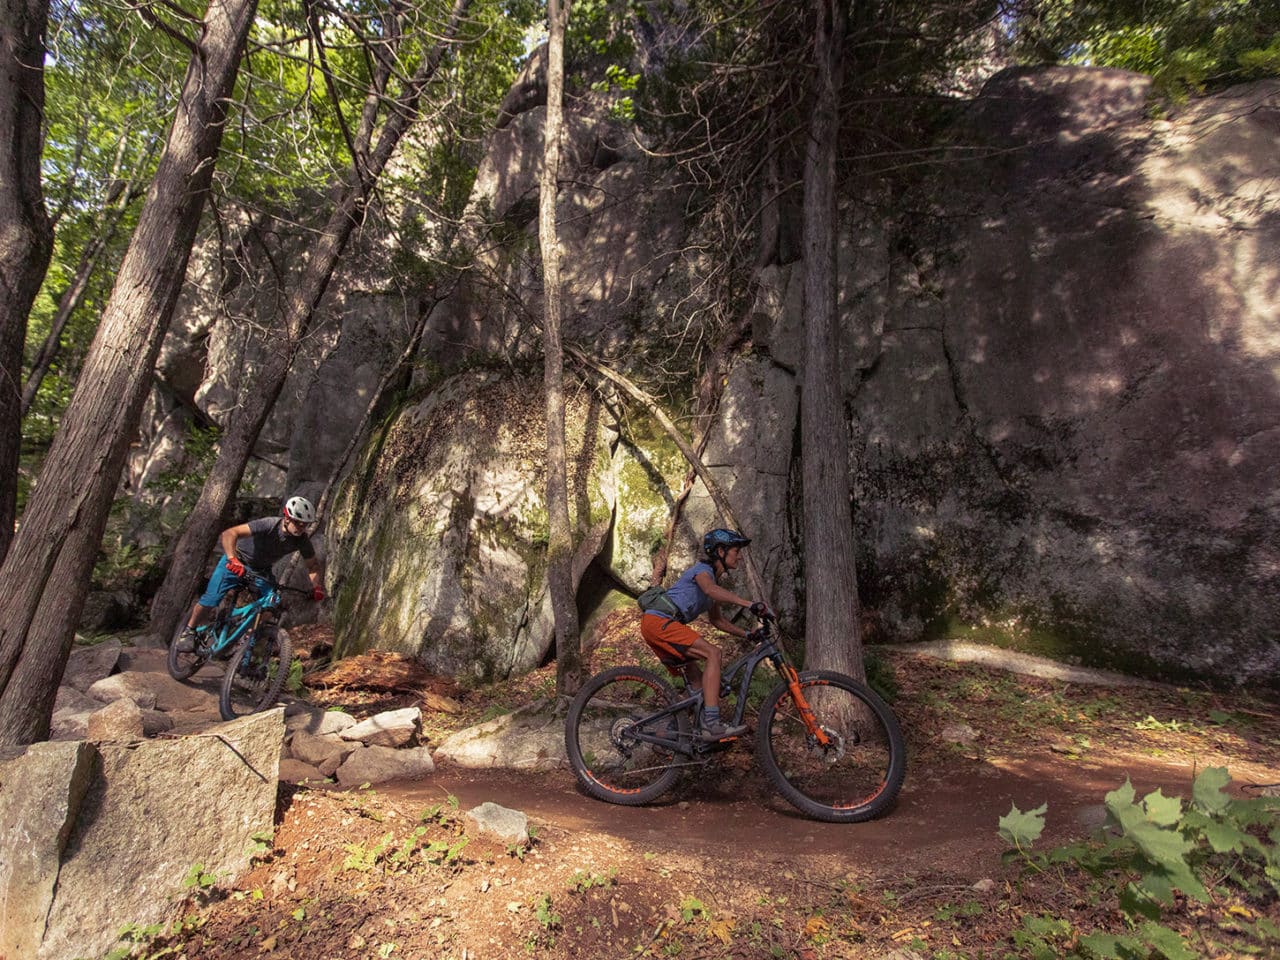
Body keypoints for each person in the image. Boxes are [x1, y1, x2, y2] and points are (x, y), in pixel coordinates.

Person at [640, 527, 770, 740]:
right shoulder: (703, 571)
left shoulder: (712, 584)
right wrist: (748, 604)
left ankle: (671, 732)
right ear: (721, 551)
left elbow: (717, 621)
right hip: (660, 623)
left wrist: (747, 634)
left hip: (659, 625)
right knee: (713, 653)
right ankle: (711, 724)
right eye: (736, 550)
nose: (739, 556)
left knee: (698, 684)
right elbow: (709, 590)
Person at [175, 495, 325, 651]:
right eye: (298, 523)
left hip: (261, 571)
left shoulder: (302, 540)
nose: (301, 528)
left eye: (305, 525)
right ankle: (188, 632)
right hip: (236, 561)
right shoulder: (268, 524)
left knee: (271, 603)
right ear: (287, 517)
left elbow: (313, 565)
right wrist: (233, 559)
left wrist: (317, 587)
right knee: (211, 600)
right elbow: (229, 533)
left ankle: (245, 641)